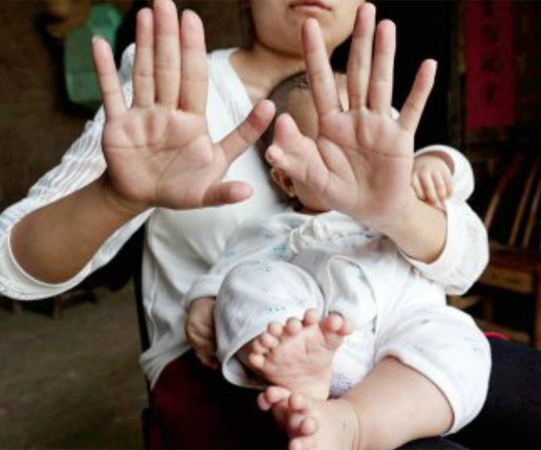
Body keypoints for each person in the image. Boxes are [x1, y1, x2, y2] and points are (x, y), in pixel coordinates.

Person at [0, 0, 541, 448]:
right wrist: (117, 196)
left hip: (394, 333)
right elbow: (10, 266)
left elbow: (465, 262)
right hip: (234, 360)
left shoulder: (367, 101)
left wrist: (396, 208)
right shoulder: (174, 89)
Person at [182, 71, 490, 443]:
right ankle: (298, 371)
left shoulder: (407, 197)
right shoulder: (273, 227)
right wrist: (205, 302)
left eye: (365, 145)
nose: (356, 164)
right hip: (318, 339)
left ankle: (353, 424)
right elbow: (229, 273)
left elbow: (461, 201)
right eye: (331, 154)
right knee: (248, 280)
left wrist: (434, 164)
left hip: (410, 331)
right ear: (287, 180)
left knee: (461, 342)